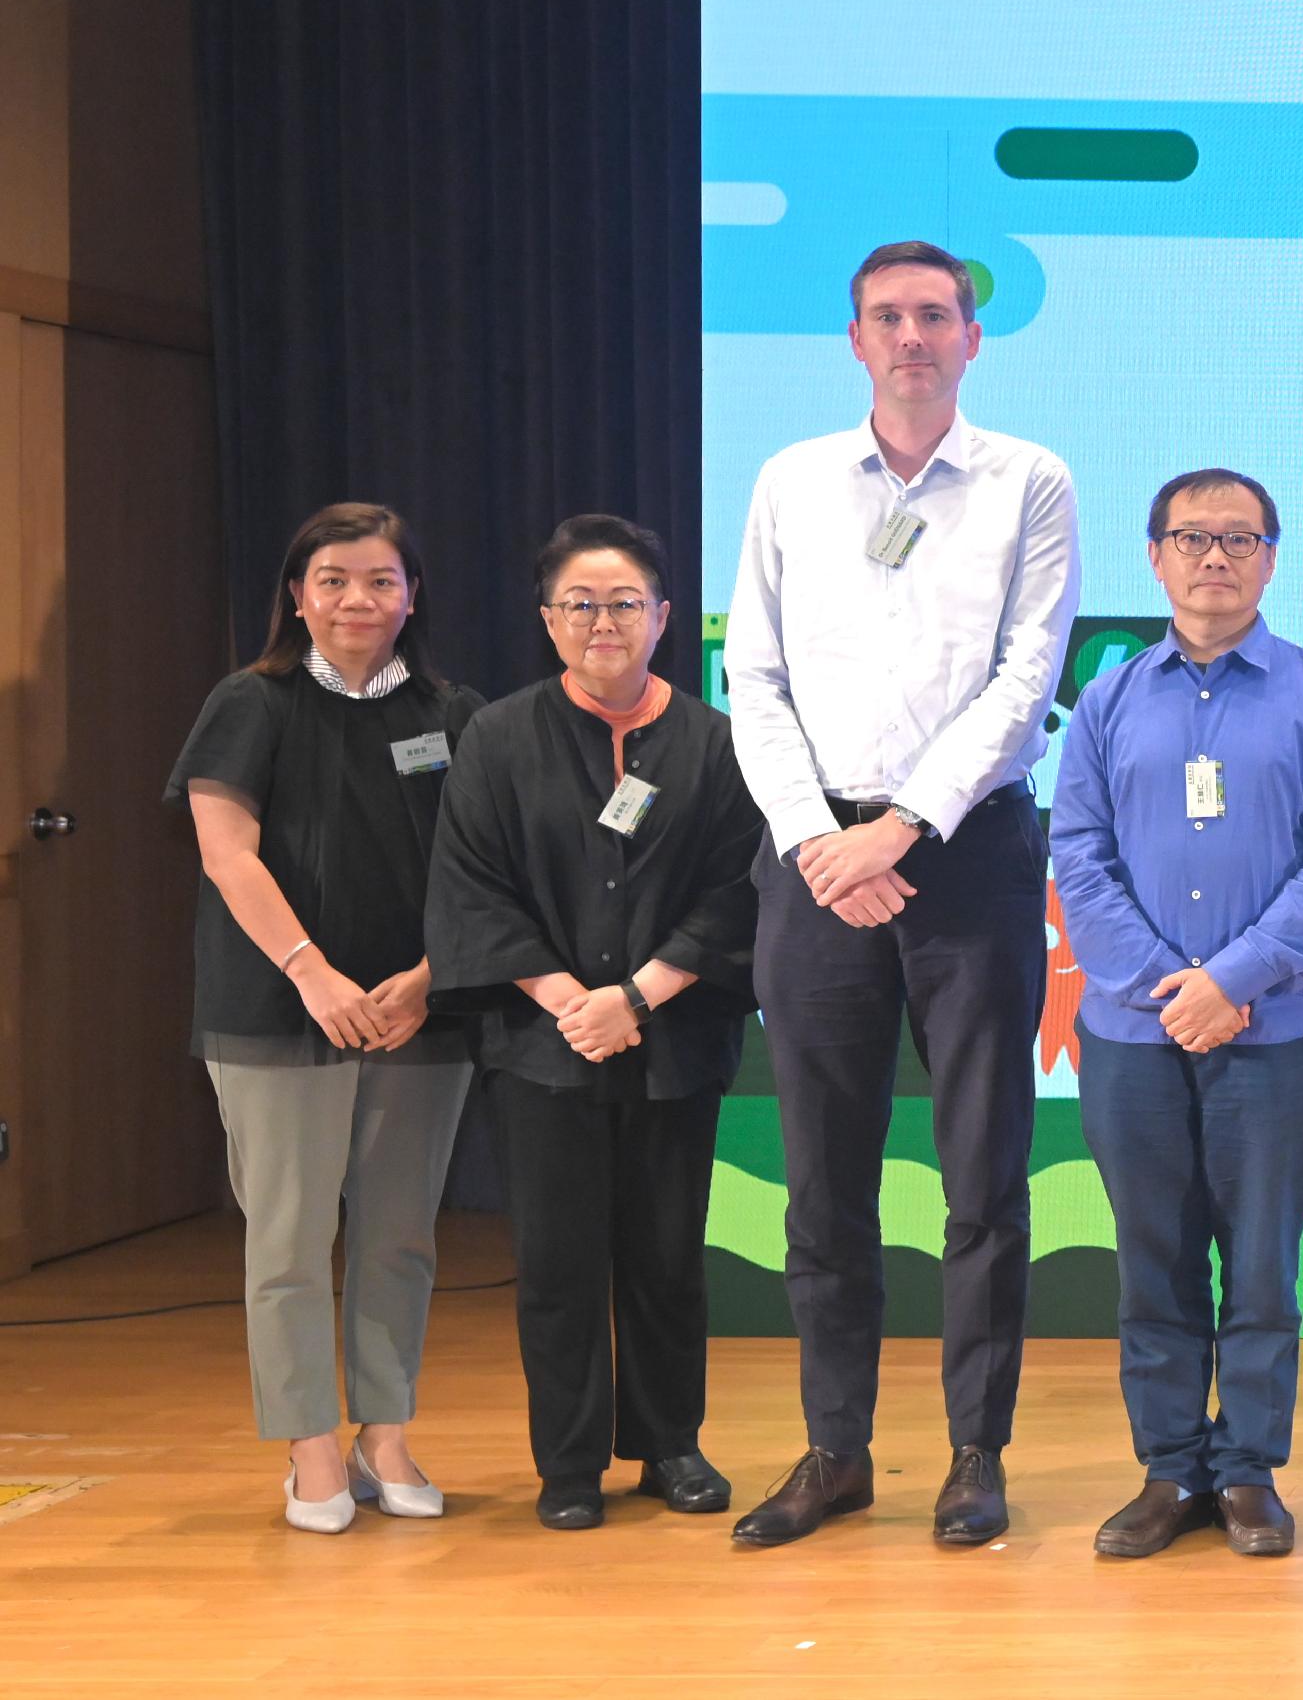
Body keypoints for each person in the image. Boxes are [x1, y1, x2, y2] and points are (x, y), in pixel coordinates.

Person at [723, 240, 1082, 1549]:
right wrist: (822, 836)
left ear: (973, 340)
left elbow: (1026, 675)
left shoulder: (1028, 482)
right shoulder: (792, 481)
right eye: (891, 316)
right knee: (824, 1179)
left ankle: (975, 1455)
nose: (915, 335)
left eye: (938, 315)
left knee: (984, 1177)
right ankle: (835, 1452)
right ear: (856, 336)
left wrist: (905, 828)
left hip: (967, 854)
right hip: (813, 857)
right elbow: (749, 677)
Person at [1051, 469, 1303, 1562]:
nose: (1215, 558)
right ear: (1156, 557)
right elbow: (1078, 858)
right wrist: (1165, 987)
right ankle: (1169, 1467)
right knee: (1154, 1257)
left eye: (1239, 539)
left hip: (1273, 1031)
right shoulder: (1104, 701)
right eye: (1193, 538)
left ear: (1272, 558)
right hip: (1133, 1035)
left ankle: (1249, 1474)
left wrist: (1230, 982)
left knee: (1264, 1261)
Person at [424, 515, 762, 1529]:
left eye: (624, 603)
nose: (602, 621)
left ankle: (671, 1447)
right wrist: (568, 1000)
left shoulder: (717, 743)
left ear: (663, 618)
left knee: (664, 1254)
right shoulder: (496, 736)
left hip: (675, 1037)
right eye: (581, 604)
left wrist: (638, 996)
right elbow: (472, 886)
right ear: (547, 619)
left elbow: (735, 892)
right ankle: (566, 1465)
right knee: (561, 1263)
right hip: (543, 1047)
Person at [170, 501, 482, 1534]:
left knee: (399, 1239)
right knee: (291, 1240)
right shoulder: (248, 704)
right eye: (335, 579)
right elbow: (227, 854)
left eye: (382, 580)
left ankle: (383, 1434)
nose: (359, 599)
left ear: (412, 595)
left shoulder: (452, 713)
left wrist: (429, 980)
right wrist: (314, 975)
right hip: (278, 1010)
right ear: (297, 596)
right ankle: (309, 1448)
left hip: (416, 1018)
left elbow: (485, 868)